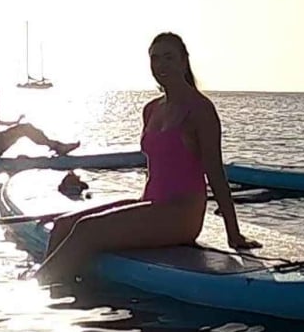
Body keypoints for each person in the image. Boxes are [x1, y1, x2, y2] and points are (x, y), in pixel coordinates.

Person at [36, 32, 258, 282]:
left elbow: (215, 173)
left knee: (86, 231)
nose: (161, 64)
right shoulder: (151, 109)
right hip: (150, 204)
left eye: (169, 57)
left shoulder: (200, 110)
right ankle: (54, 294)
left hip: (181, 216)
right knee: (63, 225)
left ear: (184, 61)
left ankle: (39, 287)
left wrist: (233, 233)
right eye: (155, 58)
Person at [0, 70, 78, 158]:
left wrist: (14, 122)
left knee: (24, 128)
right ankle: (57, 147)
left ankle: (56, 146)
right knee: (26, 128)